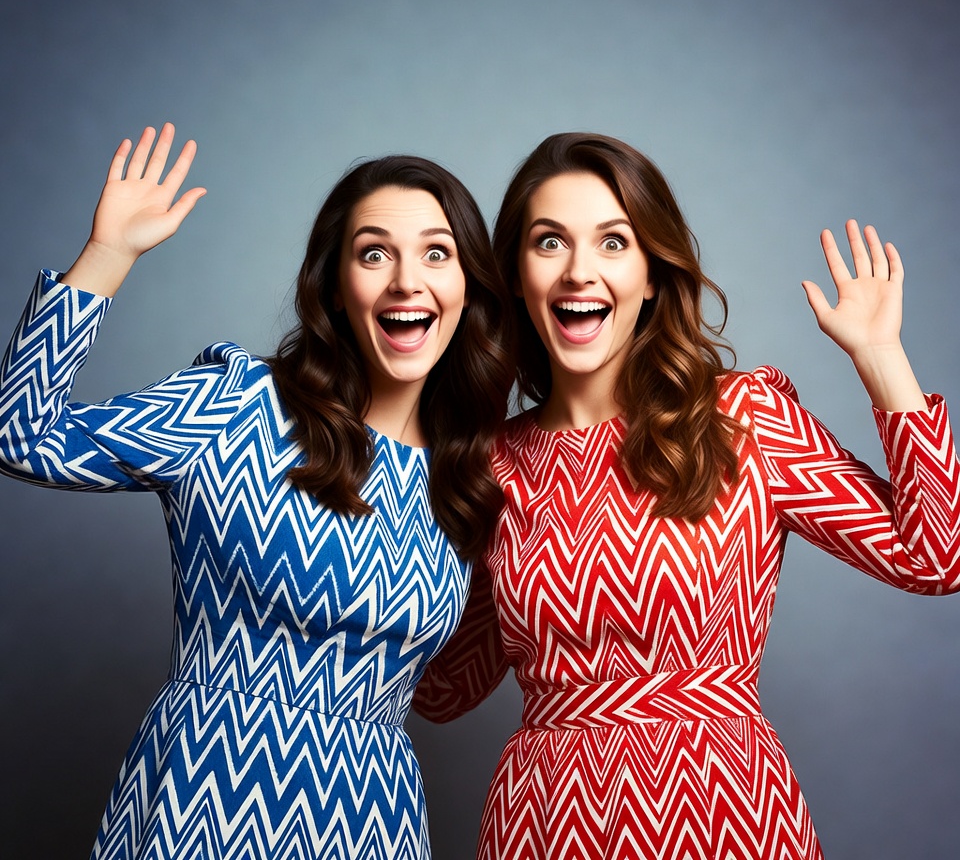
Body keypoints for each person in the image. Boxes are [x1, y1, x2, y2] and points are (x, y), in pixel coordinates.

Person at [413, 132, 960, 860]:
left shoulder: (743, 419)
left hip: (723, 809)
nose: (579, 271)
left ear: (651, 274)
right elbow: (443, 691)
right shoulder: (491, 464)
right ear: (516, 274)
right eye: (550, 242)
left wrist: (881, 356)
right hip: (543, 821)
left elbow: (937, 558)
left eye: (614, 242)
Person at [0, 123, 512, 860]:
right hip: (203, 801)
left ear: (468, 288)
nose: (407, 281)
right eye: (374, 253)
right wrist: (107, 256)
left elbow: (447, 687)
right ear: (335, 287)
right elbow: (21, 435)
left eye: (438, 253)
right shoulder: (236, 406)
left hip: (376, 819)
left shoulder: (466, 478)